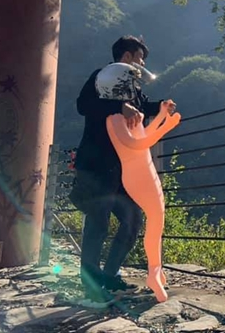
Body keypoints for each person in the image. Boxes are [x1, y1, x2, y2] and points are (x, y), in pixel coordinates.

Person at [69, 35, 176, 306]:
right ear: (127, 56)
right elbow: (83, 105)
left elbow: (142, 106)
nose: (143, 64)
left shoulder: (133, 85)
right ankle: (91, 286)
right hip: (96, 164)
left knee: (132, 220)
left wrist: (161, 107)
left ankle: (110, 275)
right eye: (140, 58)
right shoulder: (101, 77)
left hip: (124, 169)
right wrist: (118, 106)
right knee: (98, 223)